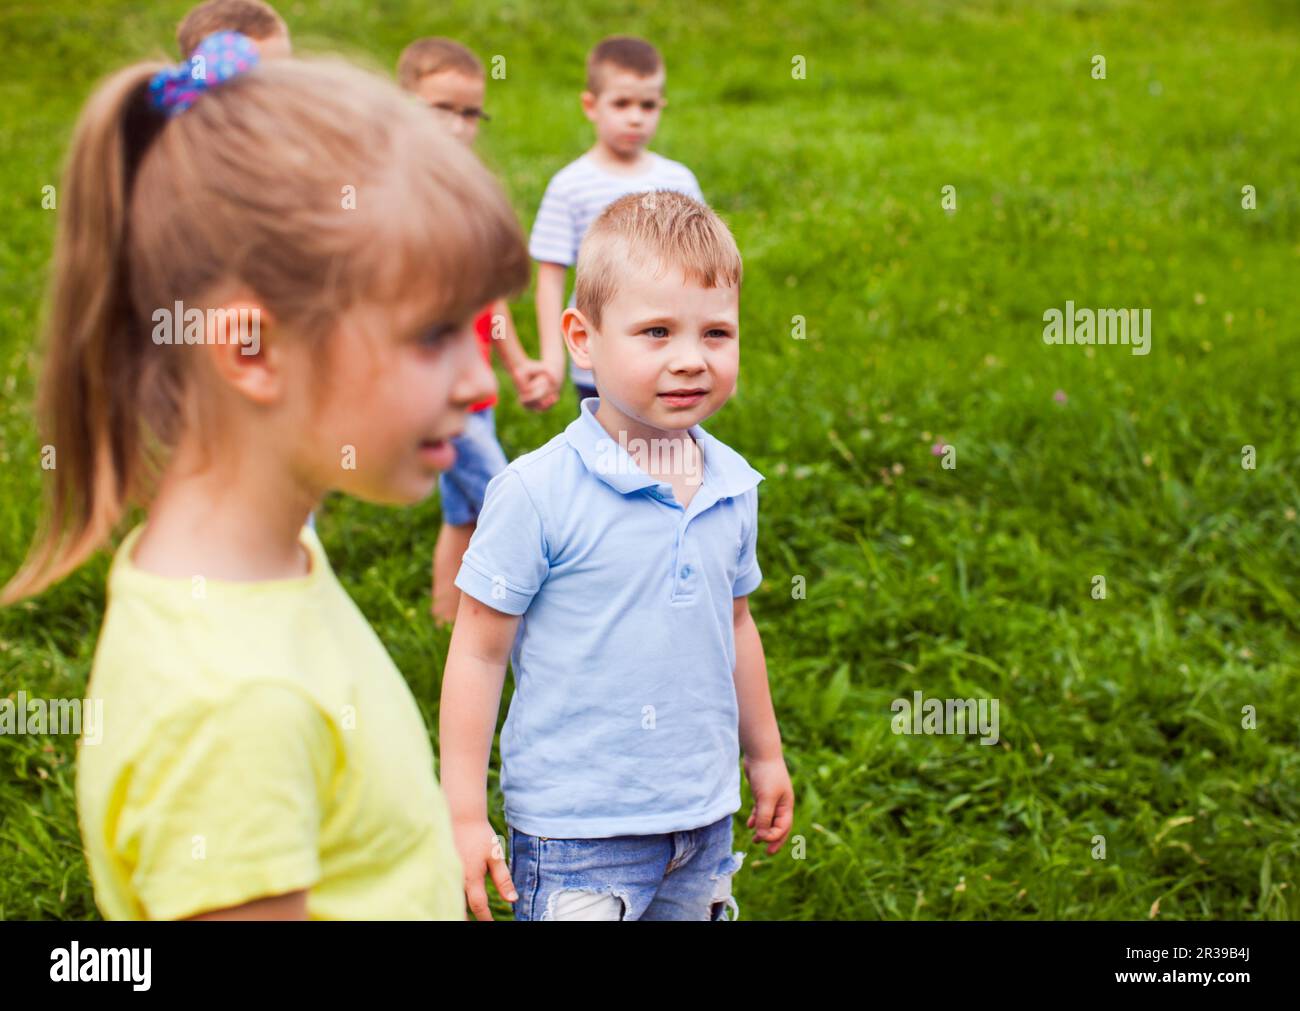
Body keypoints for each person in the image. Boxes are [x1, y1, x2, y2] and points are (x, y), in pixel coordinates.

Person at [1, 33, 529, 919]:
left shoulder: (259, 569)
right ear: (252, 348)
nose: (480, 382)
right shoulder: (232, 708)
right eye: (435, 334)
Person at [441, 191, 794, 920]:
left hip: (700, 817)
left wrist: (764, 754)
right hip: (578, 832)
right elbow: (477, 651)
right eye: (657, 331)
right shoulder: (537, 492)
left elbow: (736, 627)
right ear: (581, 338)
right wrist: (464, 814)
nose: (691, 360)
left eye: (717, 333)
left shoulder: (731, 483)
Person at [396, 36, 556, 625]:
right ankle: (539, 623)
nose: (460, 127)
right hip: (442, 396)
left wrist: (515, 363)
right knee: (509, 499)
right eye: (443, 109)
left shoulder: (469, 188)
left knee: (463, 514)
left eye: (471, 114)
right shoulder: (400, 192)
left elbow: (490, 297)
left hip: (477, 388)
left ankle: (445, 624)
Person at [530, 35, 705, 413]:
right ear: (590, 105)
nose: (636, 116)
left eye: (648, 105)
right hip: (600, 359)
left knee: (669, 452)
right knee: (608, 458)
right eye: (622, 103)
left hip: (673, 356)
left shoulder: (679, 180)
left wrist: (710, 345)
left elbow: (705, 270)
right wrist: (552, 357)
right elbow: (550, 276)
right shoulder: (570, 186)